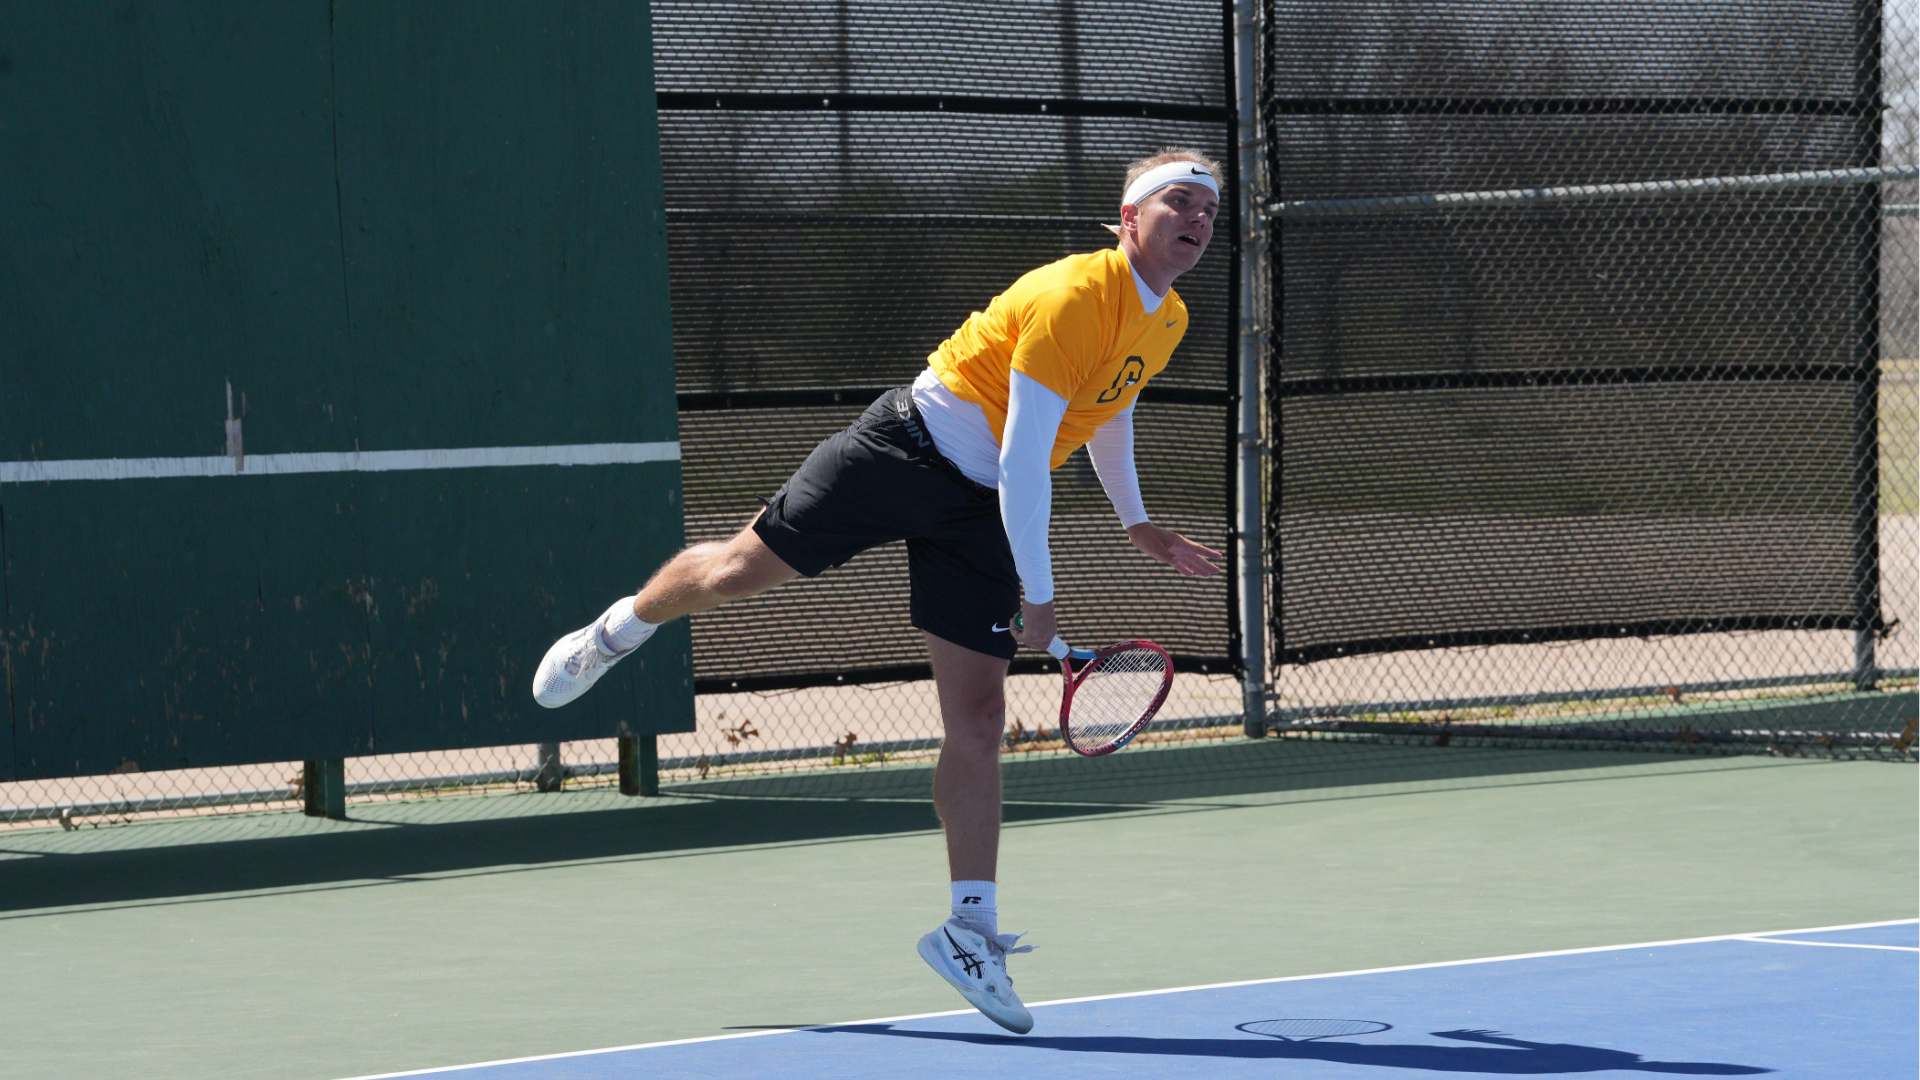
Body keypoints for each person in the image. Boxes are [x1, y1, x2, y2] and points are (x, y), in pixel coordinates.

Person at [532, 148, 1225, 1033]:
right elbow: (1025, 461)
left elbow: (1110, 408)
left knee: (978, 718)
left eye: (1208, 208)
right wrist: (1041, 596)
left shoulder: (1168, 318)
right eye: (1178, 202)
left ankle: (969, 931)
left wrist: (1137, 521)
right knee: (737, 573)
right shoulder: (1071, 296)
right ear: (1128, 218)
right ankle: (619, 630)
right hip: (903, 453)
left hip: (978, 509)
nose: (1197, 219)